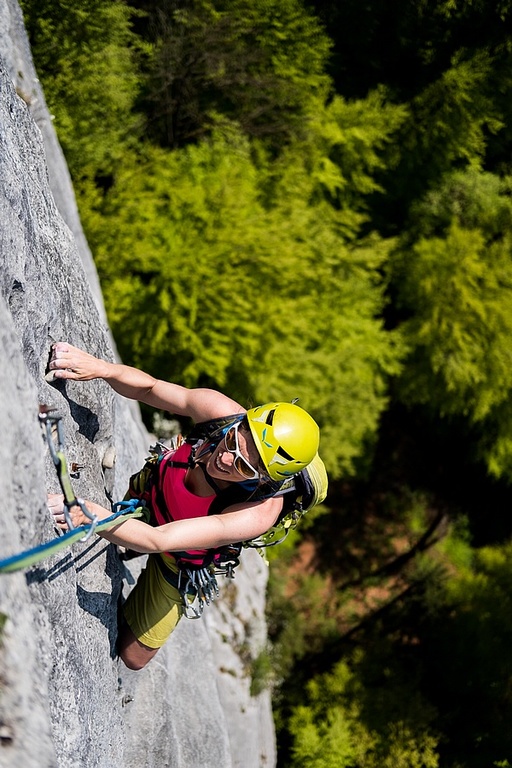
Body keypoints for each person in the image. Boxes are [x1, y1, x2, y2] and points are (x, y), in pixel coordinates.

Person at [47, 342, 321, 670]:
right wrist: (102, 368)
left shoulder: (257, 512)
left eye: (244, 467)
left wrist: (87, 514)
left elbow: (159, 540)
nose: (225, 458)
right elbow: (150, 388)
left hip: (179, 558)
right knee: (142, 508)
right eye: (233, 440)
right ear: (242, 422)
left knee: (133, 657)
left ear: (262, 479)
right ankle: (133, 518)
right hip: (152, 491)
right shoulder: (220, 412)